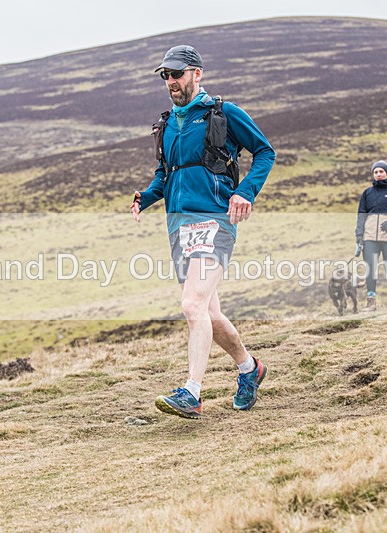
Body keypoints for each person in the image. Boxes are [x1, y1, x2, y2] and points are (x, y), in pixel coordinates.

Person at [130, 45, 275, 419]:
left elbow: (265, 152)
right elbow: (166, 174)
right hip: (179, 226)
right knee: (208, 313)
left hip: (215, 220)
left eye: (177, 74)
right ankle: (249, 368)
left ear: (197, 73)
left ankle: (192, 391)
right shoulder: (167, 125)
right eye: (166, 76)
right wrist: (145, 197)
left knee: (191, 304)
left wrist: (245, 191)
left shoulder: (223, 114)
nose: (171, 82)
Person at [355, 160, 387, 311]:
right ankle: (370, 301)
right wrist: (359, 236)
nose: (378, 174)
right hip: (369, 235)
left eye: (381, 171)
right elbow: (361, 215)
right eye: (375, 172)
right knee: (371, 267)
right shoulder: (367, 193)